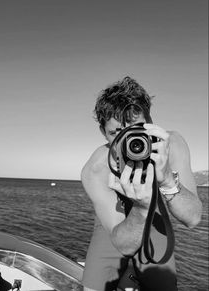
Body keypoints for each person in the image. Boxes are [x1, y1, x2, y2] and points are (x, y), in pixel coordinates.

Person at [81, 76, 202, 291]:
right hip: (112, 227)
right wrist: (142, 207)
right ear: (103, 133)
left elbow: (192, 218)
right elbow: (123, 245)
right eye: (115, 133)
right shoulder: (96, 169)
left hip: (155, 222)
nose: (128, 141)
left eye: (137, 129)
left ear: (151, 123)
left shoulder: (171, 145)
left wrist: (166, 180)